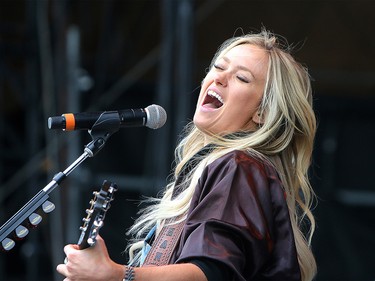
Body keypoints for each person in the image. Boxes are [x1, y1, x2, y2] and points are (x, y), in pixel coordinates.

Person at [57, 28, 317, 281]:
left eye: (242, 78)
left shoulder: (239, 166)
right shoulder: (219, 168)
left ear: (262, 112)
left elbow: (211, 272)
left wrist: (114, 275)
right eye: (218, 67)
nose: (219, 78)